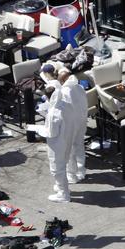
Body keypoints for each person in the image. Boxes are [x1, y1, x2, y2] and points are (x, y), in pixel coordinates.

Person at [42, 69, 85, 203]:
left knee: (57, 168)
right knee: (65, 162)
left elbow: (51, 132)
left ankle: (63, 194)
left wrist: (36, 129)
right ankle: (64, 186)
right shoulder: (67, 105)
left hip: (58, 144)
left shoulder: (54, 112)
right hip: (69, 137)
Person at [61, 70, 88, 184]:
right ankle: (81, 171)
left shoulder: (64, 91)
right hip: (81, 120)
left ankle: (72, 175)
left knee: (70, 150)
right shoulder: (80, 88)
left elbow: (65, 109)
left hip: (71, 123)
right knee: (79, 146)